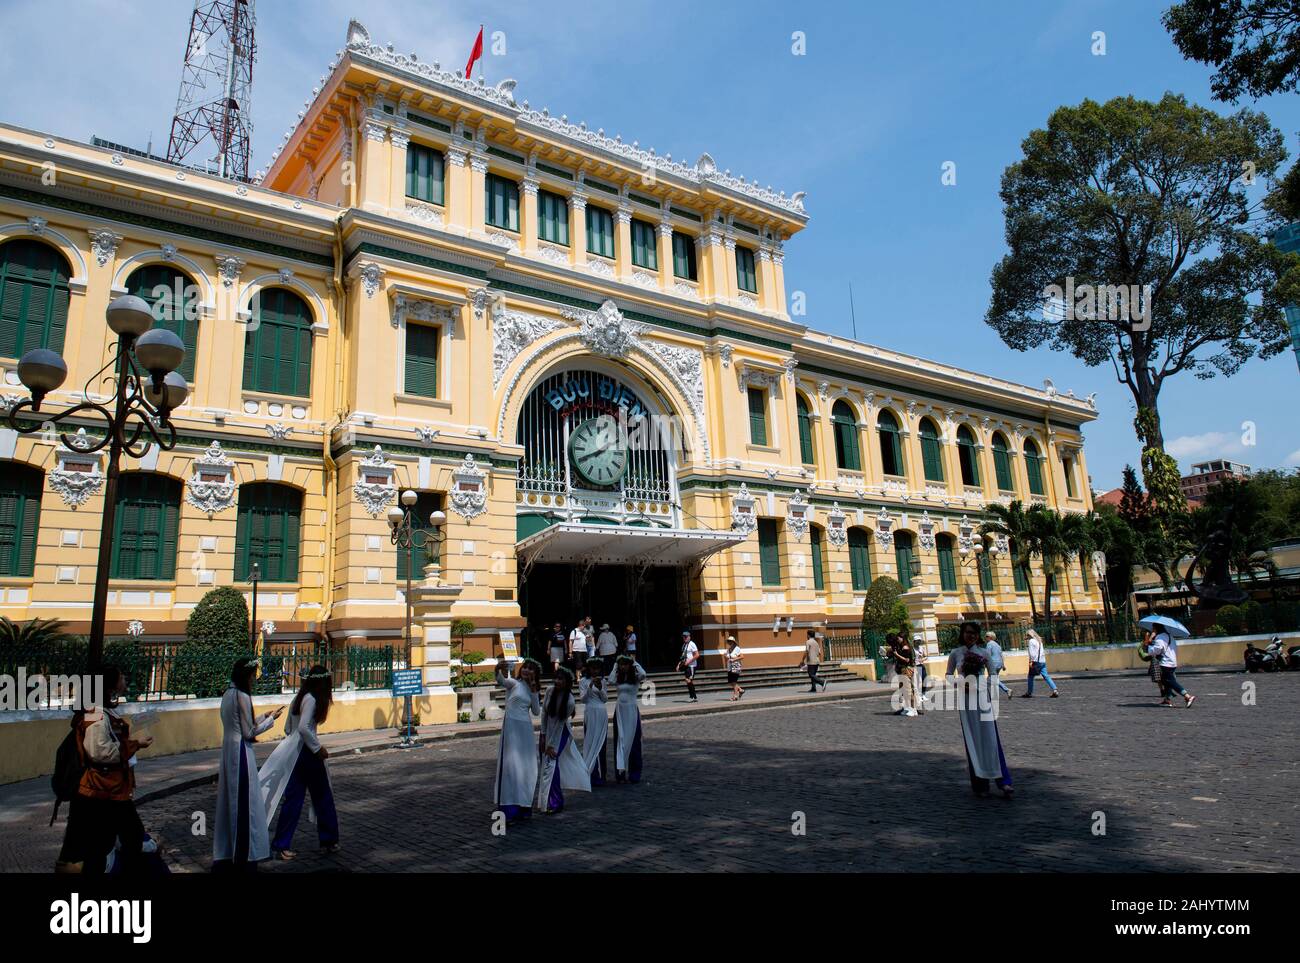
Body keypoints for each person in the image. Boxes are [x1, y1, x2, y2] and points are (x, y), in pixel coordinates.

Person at [56, 664, 155, 874]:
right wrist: (135, 743)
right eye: (121, 678)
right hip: (102, 790)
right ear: (111, 686)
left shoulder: (101, 711)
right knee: (102, 845)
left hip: (108, 789)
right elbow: (99, 752)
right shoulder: (96, 713)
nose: (124, 681)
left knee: (92, 844)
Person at [214, 658, 285, 871]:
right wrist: (271, 722)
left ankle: (229, 852)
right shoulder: (242, 696)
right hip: (241, 753)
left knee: (230, 802)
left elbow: (241, 722)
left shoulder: (228, 694)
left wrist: (264, 715)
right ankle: (244, 854)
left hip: (228, 750)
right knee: (244, 804)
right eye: (253, 676)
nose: (254, 680)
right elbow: (249, 732)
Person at [261, 665, 339, 860]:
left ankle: (281, 844)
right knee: (322, 797)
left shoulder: (298, 698)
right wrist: (317, 748)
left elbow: (289, 728)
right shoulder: (312, 699)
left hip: (294, 752)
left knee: (293, 800)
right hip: (307, 752)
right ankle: (329, 839)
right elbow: (304, 728)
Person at [946, 621, 1013, 798]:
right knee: (972, 740)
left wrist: (981, 685)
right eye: (968, 632)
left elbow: (993, 674)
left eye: (975, 633)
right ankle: (980, 785)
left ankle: (1004, 782)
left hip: (983, 698)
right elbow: (948, 675)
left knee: (991, 738)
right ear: (962, 634)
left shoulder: (983, 653)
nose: (971, 635)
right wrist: (961, 684)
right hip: (966, 700)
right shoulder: (955, 653)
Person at [533, 667, 591, 813]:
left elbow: (559, 724)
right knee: (547, 765)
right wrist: (542, 735)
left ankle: (555, 801)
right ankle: (547, 799)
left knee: (551, 764)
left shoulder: (570, 701)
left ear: (567, 682)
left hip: (561, 733)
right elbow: (544, 714)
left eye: (561, 679)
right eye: (556, 678)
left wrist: (551, 745)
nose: (558, 682)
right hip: (548, 731)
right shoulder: (549, 691)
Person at [494, 658, 542, 823]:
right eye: (525, 668)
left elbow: (536, 712)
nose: (527, 671)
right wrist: (497, 669)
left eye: (531, 669)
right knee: (511, 765)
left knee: (527, 766)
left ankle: (524, 805)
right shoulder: (514, 684)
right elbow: (501, 680)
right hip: (512, 728)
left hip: (525, 731)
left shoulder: (533, 689)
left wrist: (535, 690)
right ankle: (509, 808)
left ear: (536, 673)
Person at [607, 656, 646, 783]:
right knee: (620, 741)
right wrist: (615, 666)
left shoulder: (635, 677)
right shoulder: (618, 677)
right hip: (620, 711)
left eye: (625, 664)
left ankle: (635, 773)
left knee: (634, 742)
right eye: (621, 664)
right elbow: (610, 680)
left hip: (631, 711)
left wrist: (634, 662)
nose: (623, 666)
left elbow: (643, 674)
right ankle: (620, 773)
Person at [579, 659, 608, 786]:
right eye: (593, 668)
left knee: (601, 743)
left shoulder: (603, 681)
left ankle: (603, 775)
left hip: (601, 712)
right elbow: (583, 699)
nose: (595, 671)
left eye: (597, 668)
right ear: (588, 668)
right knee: (590, 741)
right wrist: (590, 687)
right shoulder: (583, 681)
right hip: (590, 712)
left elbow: (605, 699)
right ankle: (591, 772)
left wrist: (601, 689)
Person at [1148, 629, 1195, 708]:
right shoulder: (1170, 636)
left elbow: (1155, 650)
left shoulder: (1160, 637)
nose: (1152, 630)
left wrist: (1150, 642)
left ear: (1156, 628)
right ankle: (1167, 698)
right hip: (1172, 661)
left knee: (1170, 681)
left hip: (1166, 663)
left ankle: (1187, 696)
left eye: (1153, 628)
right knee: (1164, 680)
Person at [1022, 629, 1059, 698]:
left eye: (1027, 635)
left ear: (1029, 635)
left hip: (1035, 662)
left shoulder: (1031, 641)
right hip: (1042, 661)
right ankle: (1055, 689)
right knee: (1046, 676)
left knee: (1030, 677)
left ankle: (1029, 693)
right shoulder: (1039, 640)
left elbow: (1032, 654)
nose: (1026, 636)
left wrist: (1030, 661)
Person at [892, 634, 918, 717]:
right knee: (906, 690)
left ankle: (912, 709)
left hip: (906, 669)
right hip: (906, 669)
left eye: (898, 638)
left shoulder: (906, 647)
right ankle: (910, 709)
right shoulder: (904, 647)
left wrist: (896, 655)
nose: (897, 639)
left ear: (902, 638)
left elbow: (907, 660)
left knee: (908, 690)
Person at [984, 631, 1012, 698]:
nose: (985, 638)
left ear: (990, 637)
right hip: (999, 664)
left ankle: (1007, 690)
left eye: (986, 636)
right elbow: (1001, 655)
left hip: (993, 664)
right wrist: (1003, 664)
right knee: (993, 679)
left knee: (991, 680)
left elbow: (987, 655)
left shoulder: (989, 644)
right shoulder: (997, 645)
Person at [677, 630, 700, 702]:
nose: (685, 638)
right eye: (684, 637)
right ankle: (694, 697)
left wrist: (689, 661)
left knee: (688, 680)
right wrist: (678, 665)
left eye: (686, 637)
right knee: (688, 680)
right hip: (687, 666)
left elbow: (697, 655)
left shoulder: (692, 644)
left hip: (692, 666)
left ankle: (692, 697)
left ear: (689, 637)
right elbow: (683, 657)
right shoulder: (684, 645)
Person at [912, 633, 930, 710]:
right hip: (915, 666)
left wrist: (923, 659)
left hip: (921, 665)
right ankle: (918, 696)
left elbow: (926, 656)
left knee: (924, 679)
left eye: (919, 640)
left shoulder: (921, 648)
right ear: (914, 641)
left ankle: (923, 694)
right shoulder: (912, 649)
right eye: (917, 641)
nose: (918, 642)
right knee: (917, 682)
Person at [725, 636, 745, 701]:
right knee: (731, 682)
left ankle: (735, 696)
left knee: (734, 682)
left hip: (736, 667)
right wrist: (726, 656)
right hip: (730, 667)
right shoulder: (728, 649)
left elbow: (742, 656)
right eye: (729, 641)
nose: (729, 643)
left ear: (733, 642)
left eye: (731, 641)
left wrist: (734, 659)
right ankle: (741, 690)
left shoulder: (737, 649)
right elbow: (726, 656)